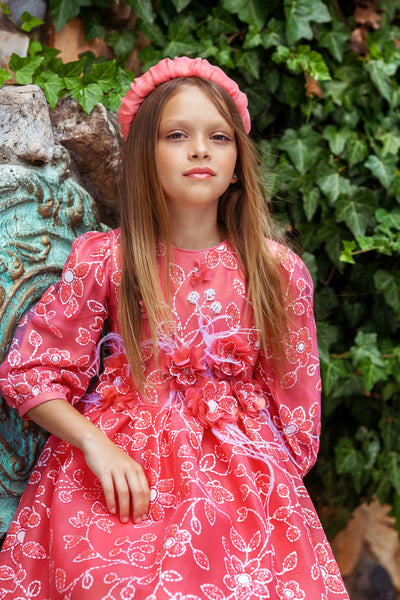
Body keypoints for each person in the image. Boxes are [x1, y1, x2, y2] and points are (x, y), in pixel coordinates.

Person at [0, 56, 349, 599]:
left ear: (238, 161)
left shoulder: (277, 273)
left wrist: (264, 487)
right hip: (120, 487)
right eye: (177, 134)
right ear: (144, 154)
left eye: (219, 137)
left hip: (243, 492)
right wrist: (95, 445)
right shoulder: (108, 261)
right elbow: (31, 373)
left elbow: (296, 414)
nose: (200, 150)